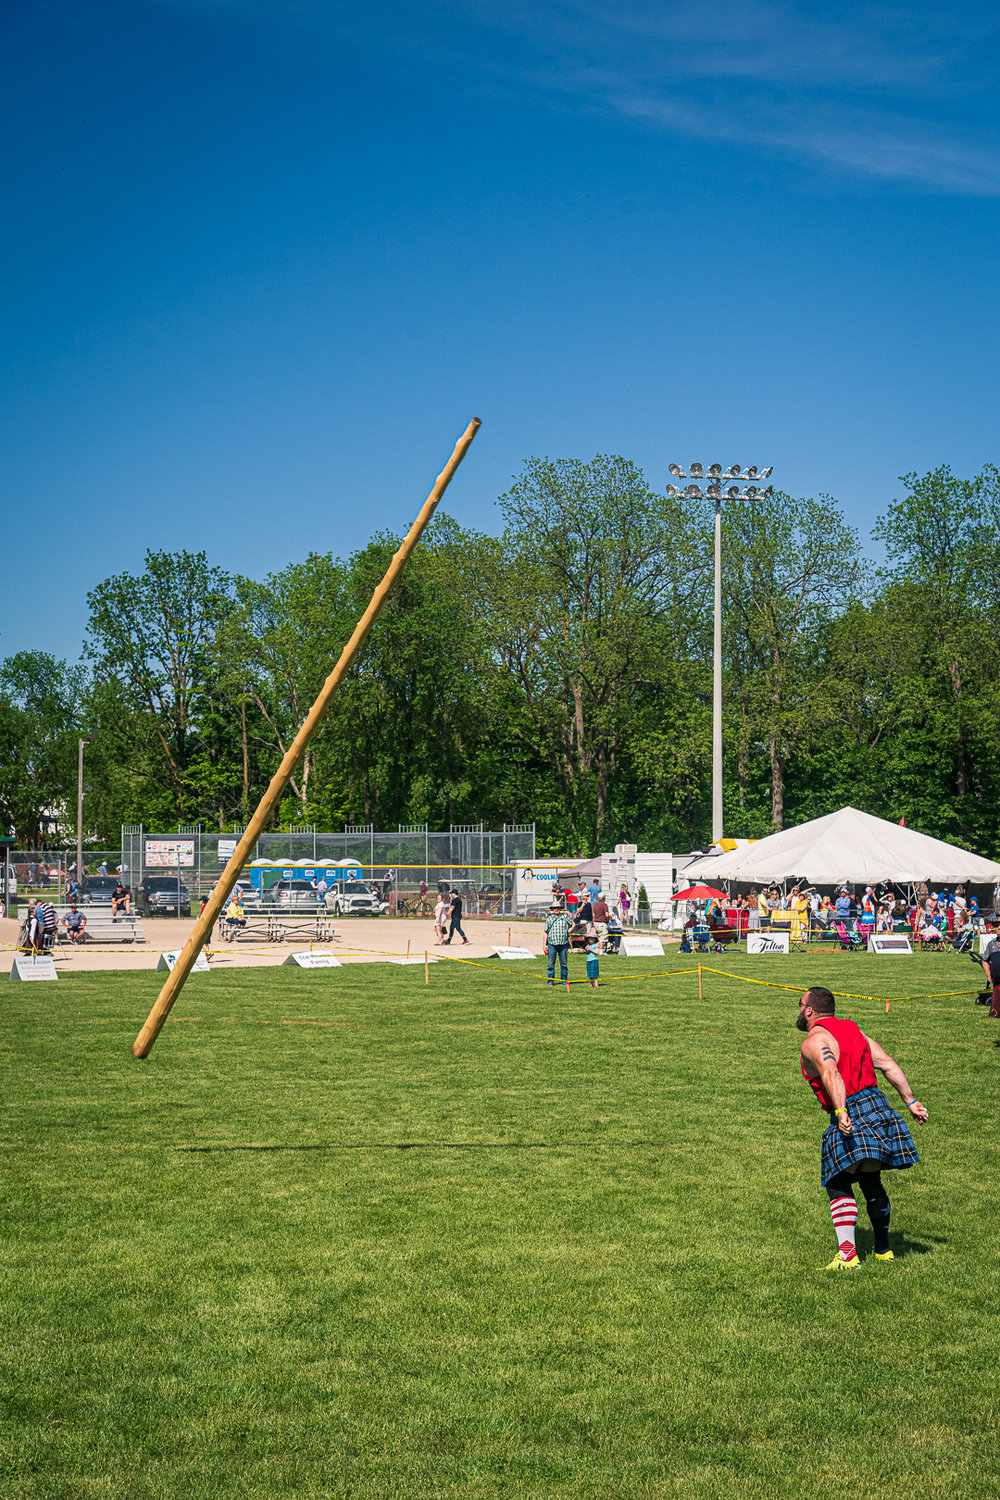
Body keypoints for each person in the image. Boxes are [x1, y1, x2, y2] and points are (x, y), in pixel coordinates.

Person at [797, 986, 926, 1270]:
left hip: (851, 1107)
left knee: (836, 1180)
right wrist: (911, 1100)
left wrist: (841, 1110)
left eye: (800, 1004)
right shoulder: (855, 1031)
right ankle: (883, 1250)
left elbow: (831, 1071)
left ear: (809, 1010)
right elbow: (888, 1064)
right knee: (870, 1178)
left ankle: (847, 1256)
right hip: (878, 1106)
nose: (799, 1009)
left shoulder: (814, 1040)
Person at [544, 902, 571, 985]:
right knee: (550, 964)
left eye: (558, 908)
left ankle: (564, 980)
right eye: (555, 908)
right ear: (552, 909)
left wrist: (568, 931)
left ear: (560, 909)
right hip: (552, 943)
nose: (556, 910)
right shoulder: (549, 919)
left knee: (564, 964)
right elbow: (545, 932)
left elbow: (572, 924)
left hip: (563, 944)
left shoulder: (564, 917)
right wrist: (544, 945)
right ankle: (550, 981)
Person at [978, 939, 1000, 1018]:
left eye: (998, 926)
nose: (997, 928)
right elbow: (984, 960)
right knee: (996, 1013)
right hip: (997, 982)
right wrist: (988, 974)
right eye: (996, 926)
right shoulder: (992, 944)